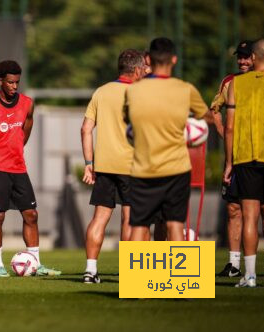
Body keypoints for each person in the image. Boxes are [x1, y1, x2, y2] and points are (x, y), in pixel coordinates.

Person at [0, 60, 61, 277]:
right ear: (0, 81)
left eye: (17, 82)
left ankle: (36, 263)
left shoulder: (28, 103)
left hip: (18, 168)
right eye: (10, 82)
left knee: (31, 214)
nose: (14, 86)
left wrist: (14, 148)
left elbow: (25, 131)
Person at [126, 37, 213, 242]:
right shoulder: (185, 89)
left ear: (149, 59)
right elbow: (206, 118)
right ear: (174, 59)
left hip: (144, 168)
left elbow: (129, 127)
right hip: (176, 168)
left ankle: (135, 275)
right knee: (175, 223)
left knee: (140, 224)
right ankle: (176, 274)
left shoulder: (134, 90)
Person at [80, 50, 147, 283]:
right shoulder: (141, 94)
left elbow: (86, 129)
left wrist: (89, 164)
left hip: (105, 166)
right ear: (137, 70)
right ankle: (130, 275)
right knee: (130, 220)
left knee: (99, 218)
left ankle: (90, 270)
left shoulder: (101, 91)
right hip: (133, 167)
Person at [213, 41, 264, 278]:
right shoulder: (231, 82)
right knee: (234, 209)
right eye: (238, 58)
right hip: (239, 155)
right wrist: (224, 133)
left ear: (255, 57)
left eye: (245, 58)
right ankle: (235, 263)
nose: (242, 62)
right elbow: (215, 109)